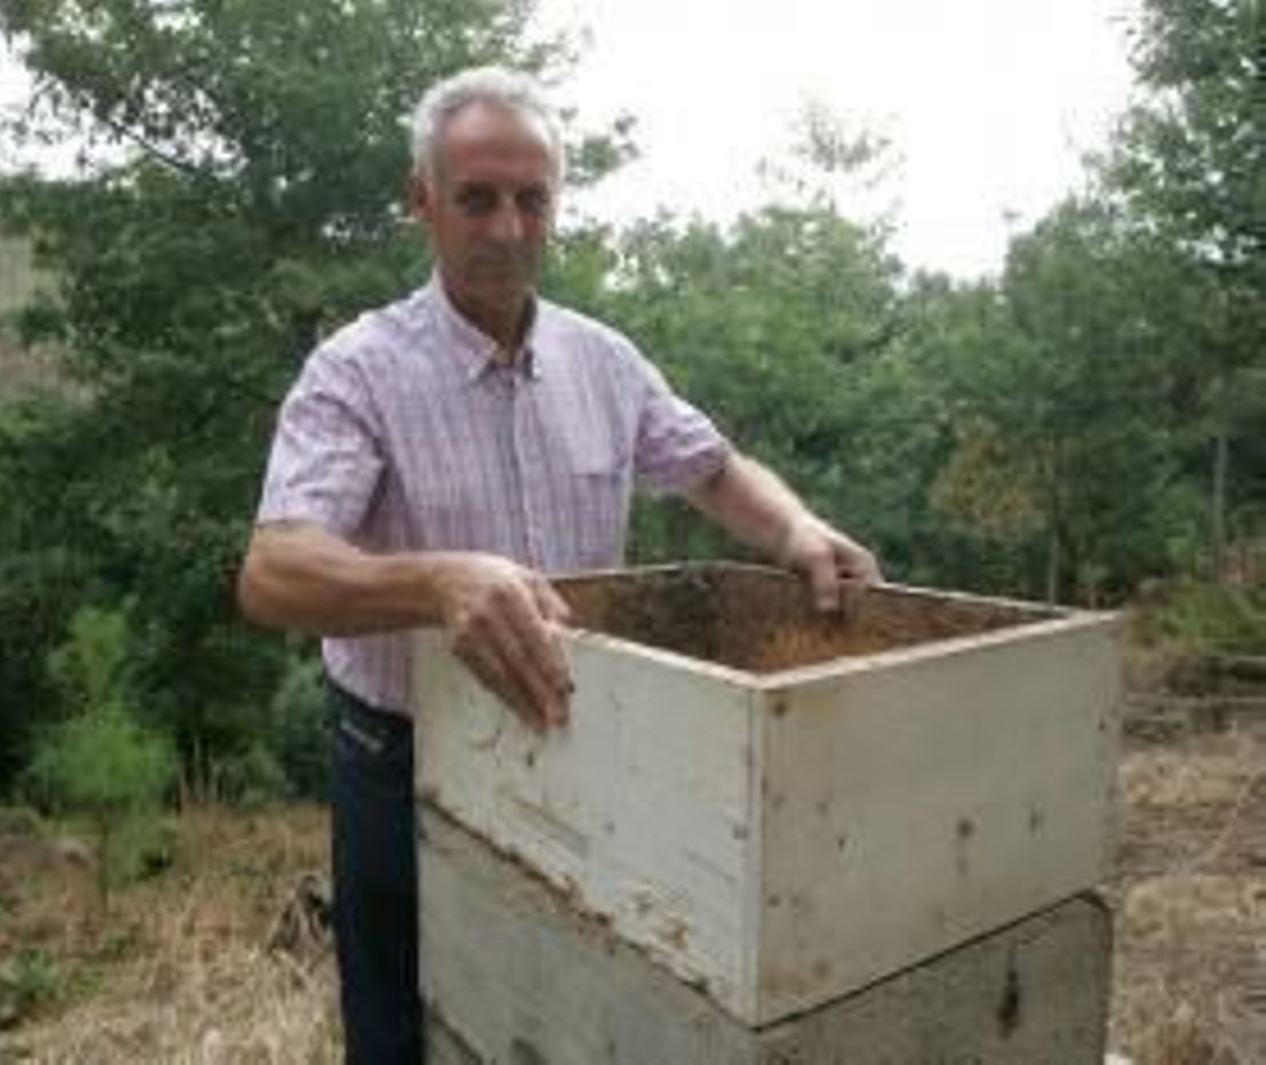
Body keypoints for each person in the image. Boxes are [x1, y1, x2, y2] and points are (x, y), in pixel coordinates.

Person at [238, 65, 881, 1065]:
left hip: (581, 736)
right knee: (404, 1025)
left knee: (556, 1012)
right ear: (422, 203)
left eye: (530, 198)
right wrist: (436, 580)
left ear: (556, 205)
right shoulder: (356, 370)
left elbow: (711, 469)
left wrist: (793, 526)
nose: (505, 227)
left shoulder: (604, 362)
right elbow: (273, 571)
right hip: (403, 761)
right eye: (476, 198)